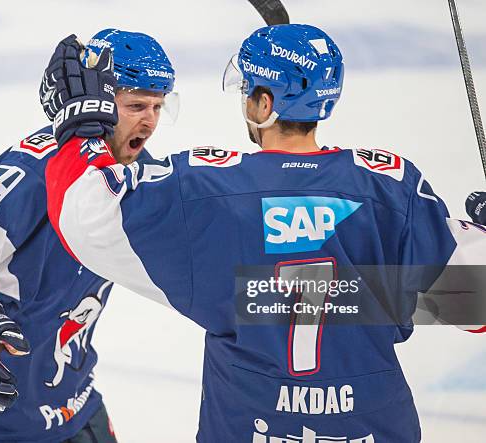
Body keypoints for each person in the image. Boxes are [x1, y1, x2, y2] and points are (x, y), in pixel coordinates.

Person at [41, 24, 486, 443]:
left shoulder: (205, 189)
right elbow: (475, 299)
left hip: (248, 427)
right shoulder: (389, 188)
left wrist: (81, 130)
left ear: (265, 105)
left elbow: (87, 219)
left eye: (248, 92)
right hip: (371, 428)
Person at [0, 29, 177, 443]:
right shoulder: (35, 166)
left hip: (72, 397)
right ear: (97, 98)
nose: (149, 121)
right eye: (136, 105)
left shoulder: (135, 171)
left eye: (158, 107)